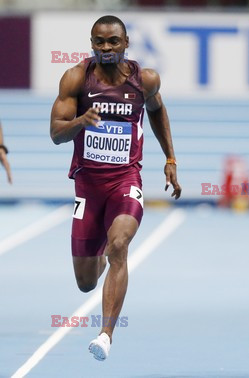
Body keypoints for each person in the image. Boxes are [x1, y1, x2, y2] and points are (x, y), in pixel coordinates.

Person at [50, 15, 181, 361]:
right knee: (86, 282)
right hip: (88, 187)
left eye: (113, 42)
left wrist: (170, 159)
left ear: (125, 43)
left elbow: (157, 111)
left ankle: (106, 334)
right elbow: (55, 134)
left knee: (119, 244)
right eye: (99, 42)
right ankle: (105, 250)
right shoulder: (77, 77)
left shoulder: (145, 80)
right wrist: (80, 120)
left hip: (125, 181)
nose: (106, 48)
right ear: (91, 44)